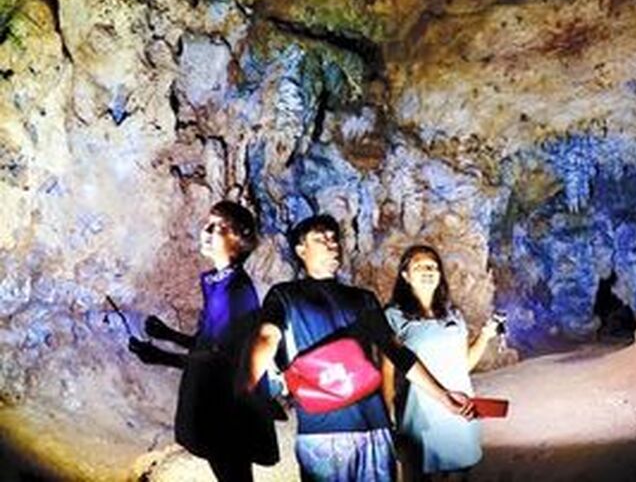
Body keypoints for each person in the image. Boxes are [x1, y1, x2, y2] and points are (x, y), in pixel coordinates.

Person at [246, 215, 473, 482]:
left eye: (334, 239)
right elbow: (267, 338)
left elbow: (398, 353)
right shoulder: (285, 295)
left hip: (371, 429)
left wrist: (443, 396)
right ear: (300, 249)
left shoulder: (363, 298)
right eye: (320, 239)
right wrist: (244, 393)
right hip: (325, 434)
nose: (331, 244)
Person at [128, 200, 278, 482]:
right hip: (217, 401)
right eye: (208, 224)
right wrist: (168, 335)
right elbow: (210, 342)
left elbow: (221, 358)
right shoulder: (221, 282)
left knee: (233, 475)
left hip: (228, 409)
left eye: (219, 227)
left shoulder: (235, 290)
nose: (206, 232)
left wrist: (161, 356)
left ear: (239, 240)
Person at [382, 245, 500, 481]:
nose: (428, 271)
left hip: (460, 409)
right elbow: (387, 370)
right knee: (420, 474)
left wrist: (485, 336)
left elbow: (463, 365)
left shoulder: (453, 314)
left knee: (459, 475)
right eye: (419, 267)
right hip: (419, 414)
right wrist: (389, 415)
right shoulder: (394, 316)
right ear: (405, 276)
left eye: (433, 267)